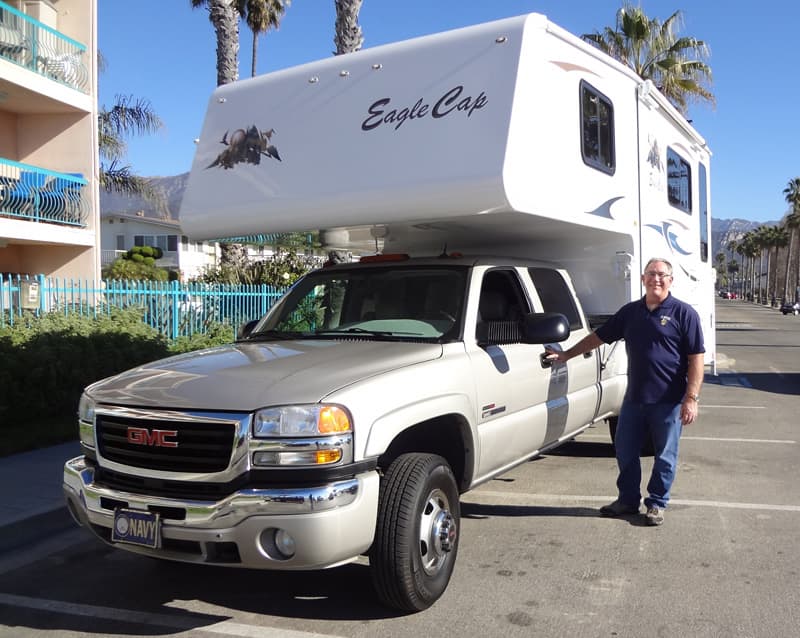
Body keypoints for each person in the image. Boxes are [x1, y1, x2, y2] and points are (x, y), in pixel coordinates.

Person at [544, 258, 705, 526]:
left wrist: (691, 398)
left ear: (671, 280)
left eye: (662, 275)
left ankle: (656, 504)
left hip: (669, 402)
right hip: (634, 400)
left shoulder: (684, 314)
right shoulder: (630, 313)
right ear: (643, 279)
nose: (656, 279)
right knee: (625, 450)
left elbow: (696, 359)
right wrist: (566, 355)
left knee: (665, 455)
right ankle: (628, 500)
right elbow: (599, 337)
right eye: (651, 274)